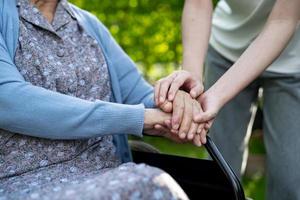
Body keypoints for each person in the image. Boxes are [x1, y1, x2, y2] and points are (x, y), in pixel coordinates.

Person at [0, 0, 203, 199]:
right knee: (150, 182)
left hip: (109, 174)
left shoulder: (88, 24)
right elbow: (8, 99)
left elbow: (141, 97)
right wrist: (141, 117)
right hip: (23, 181)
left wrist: (176, 101)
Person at [156, 0, 300, 200]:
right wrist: (191, 77)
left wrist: (215, 95)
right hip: (226, 50)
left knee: (290, 180)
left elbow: (283, 20)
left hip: (293, 62)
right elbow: (198, 4)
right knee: (219, 174)